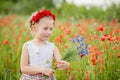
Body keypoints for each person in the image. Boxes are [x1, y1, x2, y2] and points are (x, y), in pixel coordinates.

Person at [20, 10, 70, 80]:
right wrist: (43, 70)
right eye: (45, 28)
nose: (49, 32)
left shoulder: (53, 47)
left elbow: (60, 63)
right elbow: (23, 68)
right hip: (30, 78)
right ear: (34, 28)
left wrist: (66, 65)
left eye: (51, 29)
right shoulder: (27, 46)